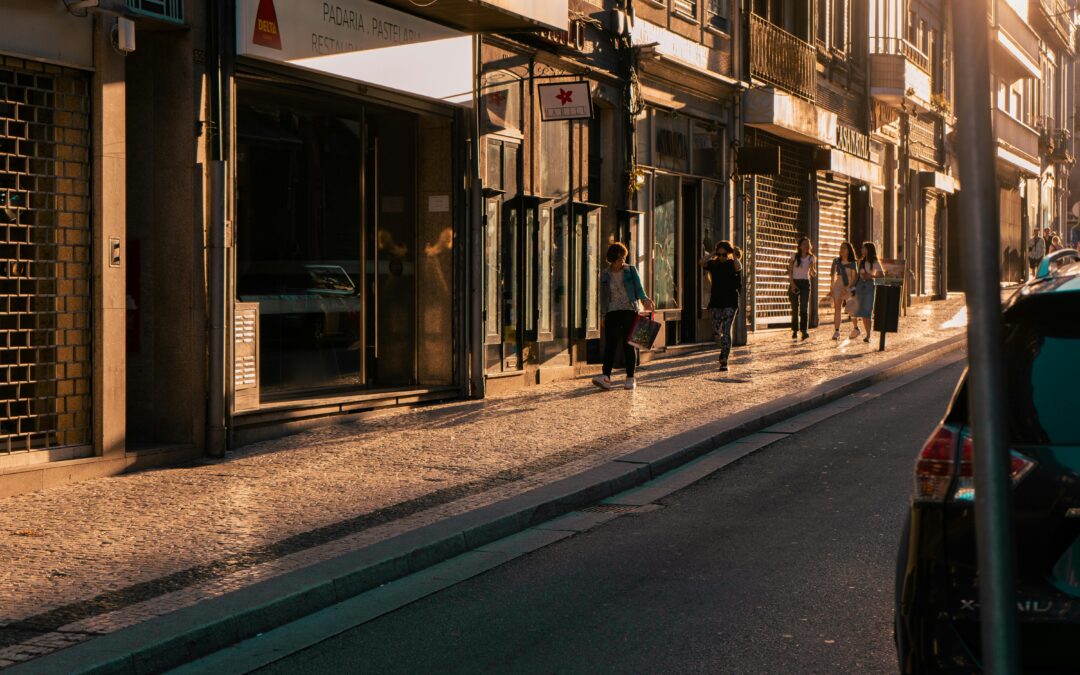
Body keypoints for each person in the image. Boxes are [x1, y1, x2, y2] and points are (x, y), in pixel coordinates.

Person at [594, 242, 654, 391]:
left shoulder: (630, 270)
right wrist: (602, 315)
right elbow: (602, 297)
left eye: (622, 258)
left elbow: (639, 289)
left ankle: (630, 378)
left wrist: (645, 300)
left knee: (629, 345)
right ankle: (606, 377)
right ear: (611, 259)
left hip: (629, 310)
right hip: (612, 312)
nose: (620, 262)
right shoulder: (605, 274)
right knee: (610, 345)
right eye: (618, 259)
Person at [701, 241, 743, 371]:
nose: (721, 257)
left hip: (730, 302)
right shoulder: (714, 264)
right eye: (719, 254)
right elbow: (701, 262)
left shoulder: (732, 264)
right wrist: (713, 253)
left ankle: (724, 358)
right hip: (716, 302)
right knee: (716, 329)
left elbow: (739, 267)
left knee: (726, 330)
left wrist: (734, 256)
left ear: (729, 253)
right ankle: (722, 348)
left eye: (724, 254)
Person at [849, 241, 884, 343]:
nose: (861, 250)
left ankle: (868, 335)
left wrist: (871, 276)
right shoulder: (860, 262)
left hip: (869, 286)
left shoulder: (875, 262)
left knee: (867, 311)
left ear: (868, 249)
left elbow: (882, 275)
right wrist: (850, 286)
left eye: (863, 248)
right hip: (859, 286)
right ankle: (864, 332)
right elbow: (856, 277)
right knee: (860, 311)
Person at [826, 242, 858, 340]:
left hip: (849, 285)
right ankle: (836, 331)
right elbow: (833, 276)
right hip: (838, 285)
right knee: (837, 308)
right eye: (841, 248)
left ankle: (856, 328)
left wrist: (848, 289)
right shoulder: (836, 261)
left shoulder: (853, 263)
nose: (842, 250)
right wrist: (831, 288)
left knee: (851, 309)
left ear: (849, 250)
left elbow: (854, 278)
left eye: (844, 248)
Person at [787, 236, 816, 341]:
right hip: (794, 282)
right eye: (804, 244)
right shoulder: (794, 256)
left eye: (808, 244)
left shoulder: (812, 258)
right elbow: (789, 271)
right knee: (795, 308)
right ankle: (795, 330)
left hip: (805, 283)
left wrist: (812, 268)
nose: (807, 246)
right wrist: (793, 284)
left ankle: (804, 331)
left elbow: (813, 274)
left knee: (804, 308)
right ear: (800, 246)